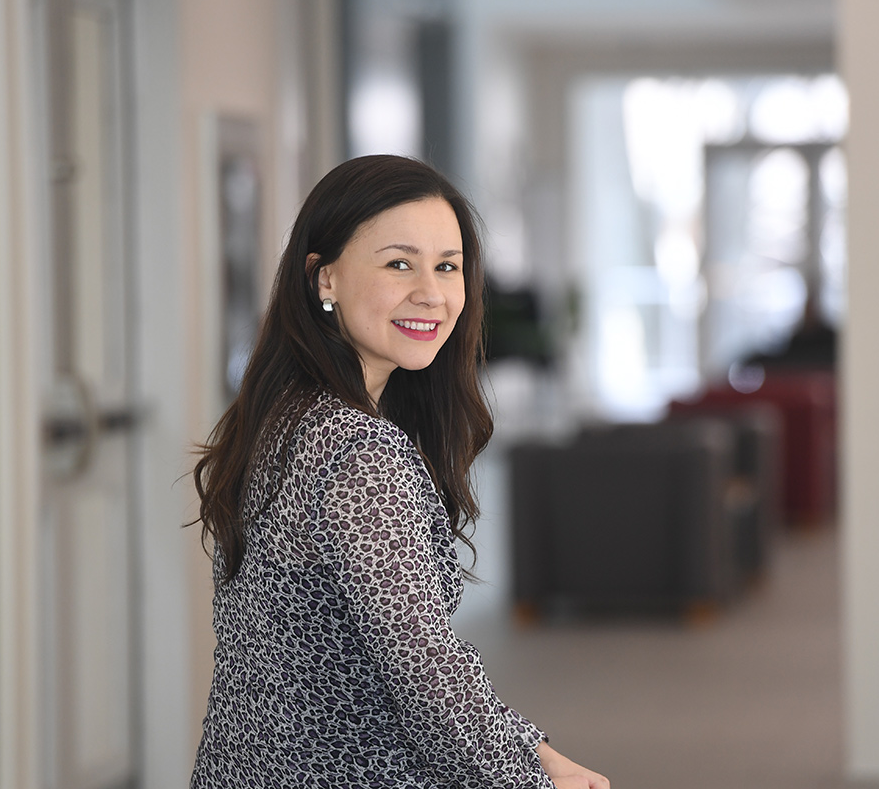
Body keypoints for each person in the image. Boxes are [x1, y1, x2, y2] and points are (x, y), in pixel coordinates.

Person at [191, 155, 608, 789]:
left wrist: (532, 750)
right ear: (323, 278)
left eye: (447, 266)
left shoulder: (284, 415)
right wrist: (531, 773)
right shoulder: (353, 446)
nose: (432, 293)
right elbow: (421, 668)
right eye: (398, 264)